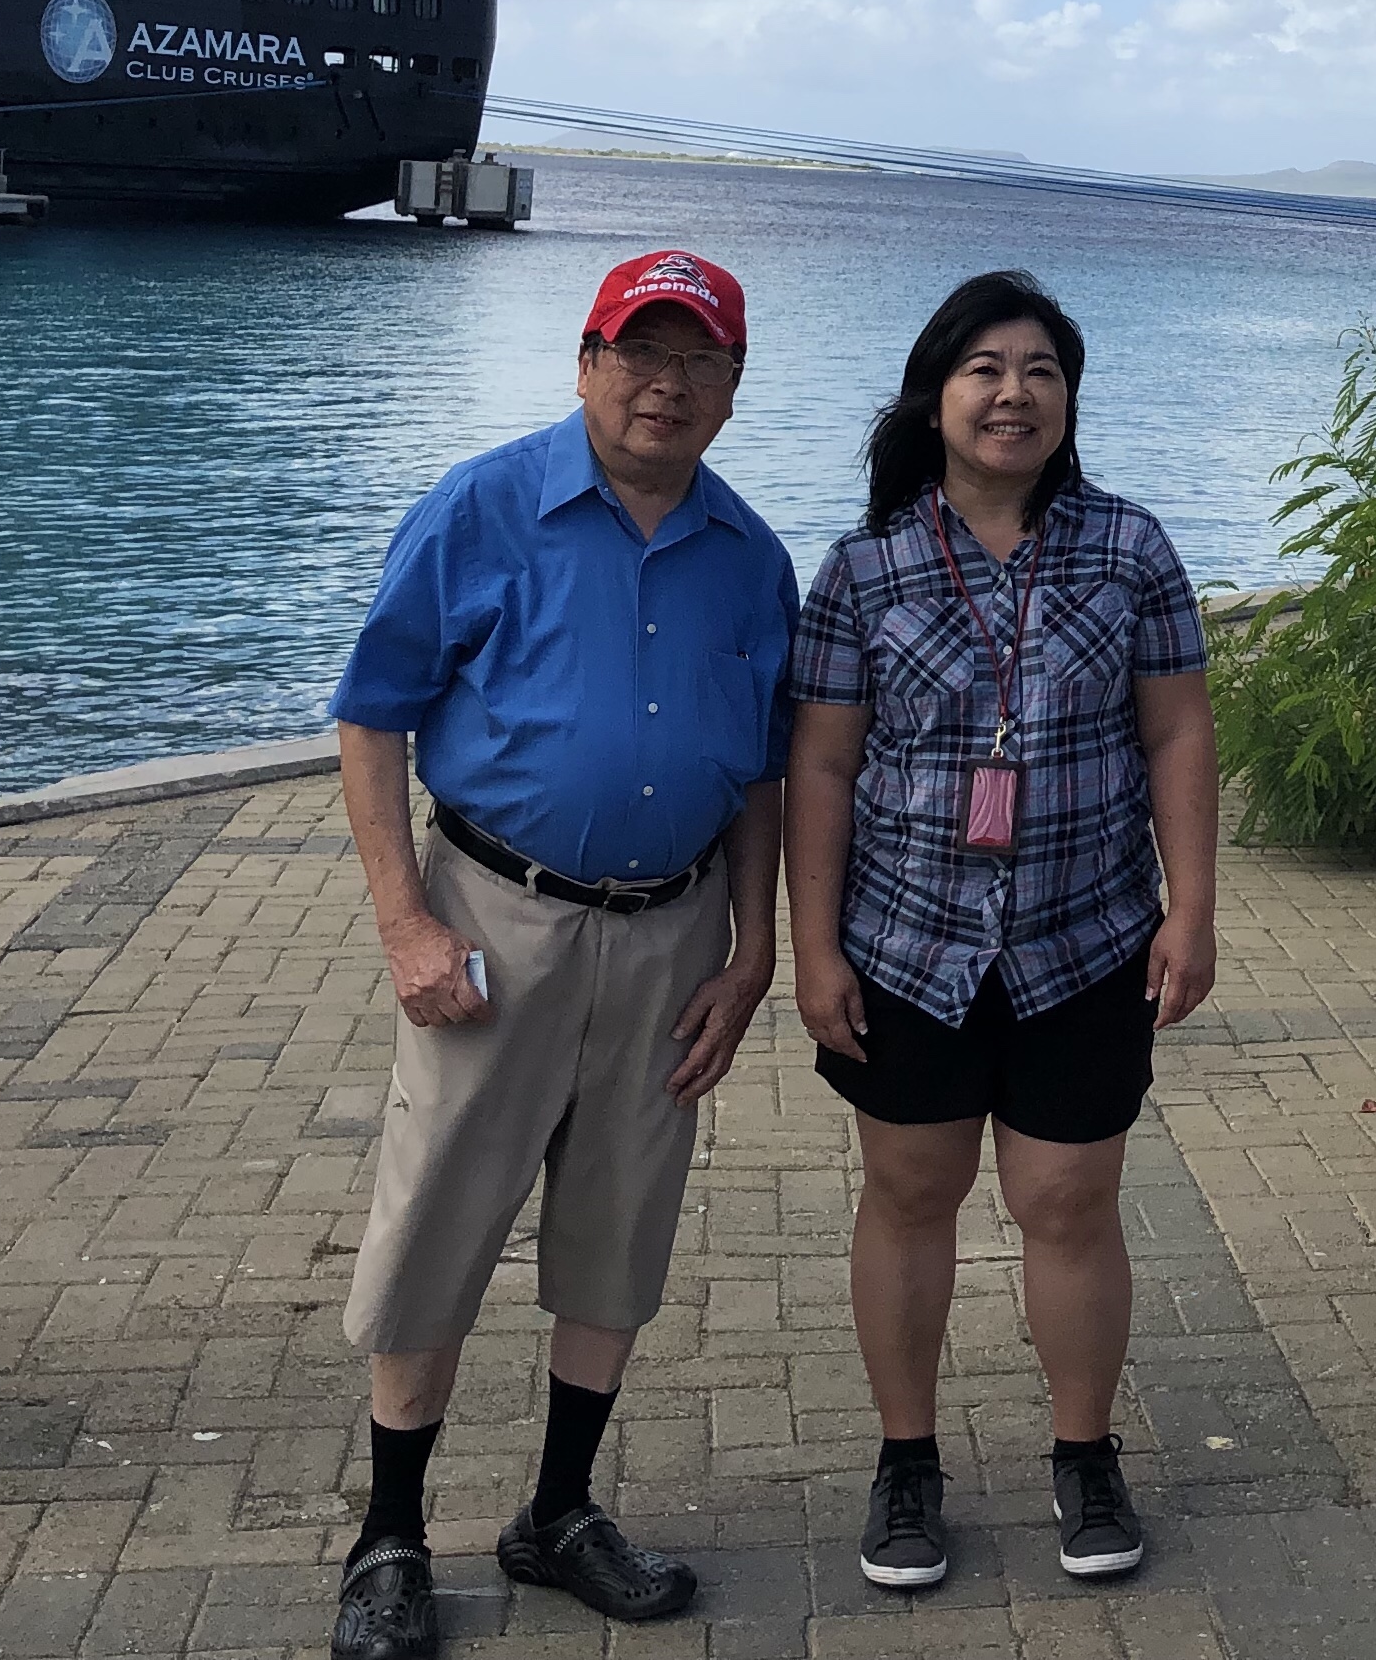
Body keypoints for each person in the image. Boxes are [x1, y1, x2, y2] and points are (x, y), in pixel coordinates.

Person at [322, 251, 795, 1660]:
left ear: (731, 389)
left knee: (618, 1232)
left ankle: (559, 1515)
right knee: (437, 1228)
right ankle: (390, 1537)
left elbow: (765, 772)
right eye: (638, 353)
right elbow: (372, 715)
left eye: (699, 361)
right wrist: (405, 921)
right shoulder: (480, 508)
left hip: (671, 936)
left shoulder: (751, 556)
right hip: (493, 925)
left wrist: (754, 947)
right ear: (583, 363)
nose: (667, 383)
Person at [785, 270, 1220, 1593]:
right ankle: (906, 1464)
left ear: (1068, 396)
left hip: (1082, 937)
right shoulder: (865, 568)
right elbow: (819, 770)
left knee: (1069, 1199)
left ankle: (1084, 1454)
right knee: (911, 1194)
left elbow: (1178, 730)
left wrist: (1192, 910)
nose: (1012, 393)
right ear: (936, 394)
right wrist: (813, 952)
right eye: (984, 368)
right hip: (907, 941)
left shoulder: (1129, 549)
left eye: (1039, 369)